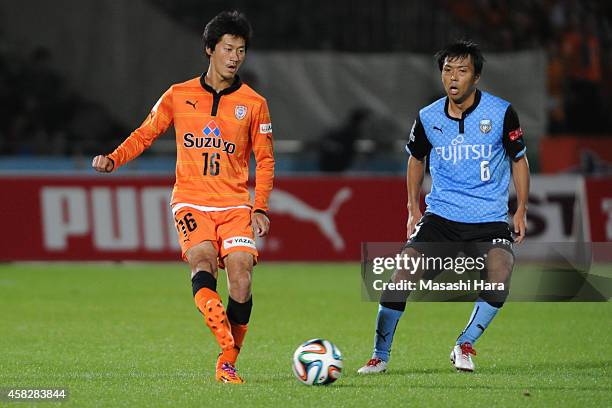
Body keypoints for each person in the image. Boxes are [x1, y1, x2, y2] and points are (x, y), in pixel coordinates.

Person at [92, 10, 274, 384]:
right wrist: (114, 159)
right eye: (228, 48)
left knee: (241, 278)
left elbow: (266, 159)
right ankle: (227, 356)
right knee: (202, 262)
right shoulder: (178, 95)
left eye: (241, 50)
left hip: (235, 204)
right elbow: (144, 134)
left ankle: (227, 360)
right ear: (210, 49)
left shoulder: (254, 103)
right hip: (191, 200)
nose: (235, 56)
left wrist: (260, 207)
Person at [358, 40, 529, 374]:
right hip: (441, 217)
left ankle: (464, 344)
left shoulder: (501, 113)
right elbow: (415, 158)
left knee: (500, 272)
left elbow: (519, 160)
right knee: (401, 274)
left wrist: (521, 208)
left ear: (476, 76)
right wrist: (412, 208)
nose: (453, 77)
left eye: (462, 70)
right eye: (447, 70)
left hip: (490, 218)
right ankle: (380, 355)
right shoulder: (428, 116)